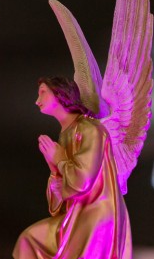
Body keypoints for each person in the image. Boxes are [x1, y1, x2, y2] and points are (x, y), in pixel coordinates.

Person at [13, 77, 131, 259]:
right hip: (76, 214)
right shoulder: (66, 134)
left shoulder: (90, 129)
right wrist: (55, 170)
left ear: (60, 93)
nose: (37, 101)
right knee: (28, 240)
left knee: (31, 240)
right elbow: (58, 206)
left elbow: (83, 181)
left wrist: (59, 159)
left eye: (43, 92)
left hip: (95, 216)